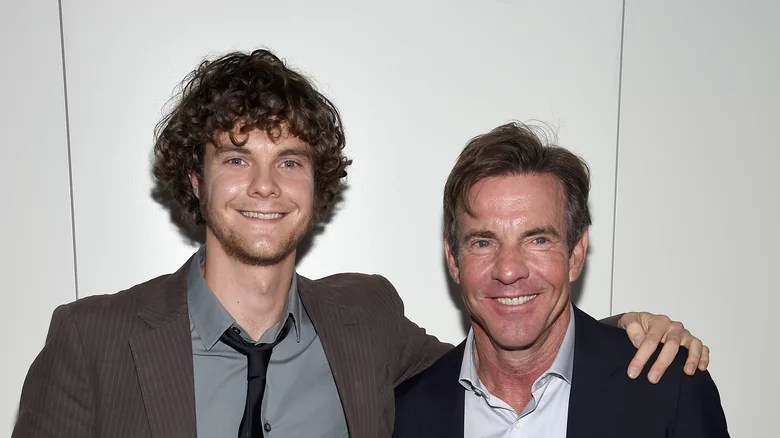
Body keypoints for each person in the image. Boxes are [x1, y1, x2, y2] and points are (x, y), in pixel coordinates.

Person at [14, 50, 708, 438]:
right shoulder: (94, 339)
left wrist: (620, 335)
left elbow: (501, 353)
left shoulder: (364, 322)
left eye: (289, 160)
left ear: (317, 186)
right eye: (234, 158)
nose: (264, 185)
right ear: (194, 179)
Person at [394, 122, 729, 437]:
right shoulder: (406, 414)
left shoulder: (669, 391)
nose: (509, 270)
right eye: (484, 242)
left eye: (537, 240)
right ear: (453, 259)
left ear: (576, 253)